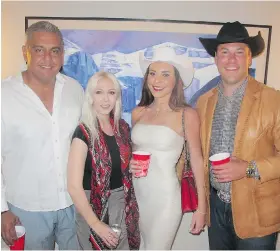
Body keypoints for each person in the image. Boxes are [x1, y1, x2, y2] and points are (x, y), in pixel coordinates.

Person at [197, 21, 280, 250]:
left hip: (257, 212)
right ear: (216, 59)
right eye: (224, 52)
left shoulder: (274, 100)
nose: (231, 59)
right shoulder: (204, 102)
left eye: (239, 52)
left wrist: (248, 168)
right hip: (216, 210)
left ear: (249, 58)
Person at [1, 21, 84, 249]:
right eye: (39, 50)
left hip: (73, 204)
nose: (48, 59)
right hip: (26, 208)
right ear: (25, 52)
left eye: (55, 51)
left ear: (62, 54)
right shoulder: (3, 95)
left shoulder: (75, 90)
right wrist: (2, 209)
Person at [129, 46, 207, 249]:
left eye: (165, 75)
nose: (157, 80)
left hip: (166, 197)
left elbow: (198, 161)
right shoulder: (138, 112)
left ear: (177, 81)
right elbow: (133, 153)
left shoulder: (186, 115)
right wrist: (130, 163)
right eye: (152, 74)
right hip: (138, 196)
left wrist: (202, 208)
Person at [67, 71, 140, 250]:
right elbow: (74, 187)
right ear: (90, 97)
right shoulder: (83, 132)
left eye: (111, 92)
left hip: (123, 204)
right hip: (92, 207)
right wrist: (96, 224)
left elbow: (118, 166)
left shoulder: (122, 128)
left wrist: (129, 165)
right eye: (99, 92)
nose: (106, 99)